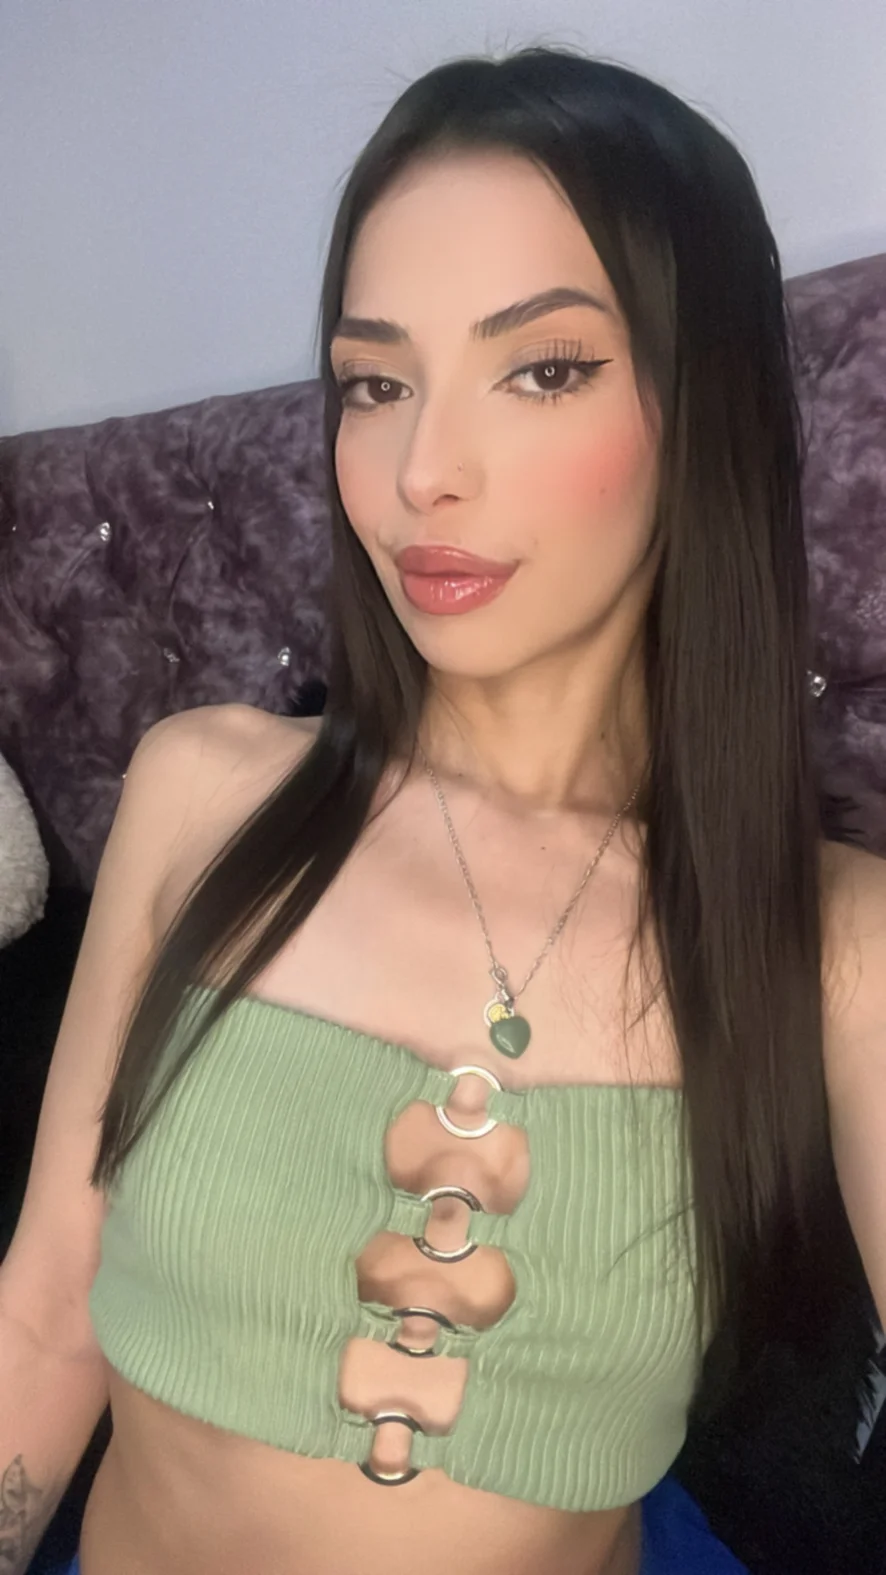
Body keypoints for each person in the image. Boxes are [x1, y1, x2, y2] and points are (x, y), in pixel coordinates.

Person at [3, 42, 884, 1575]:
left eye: (541, 368)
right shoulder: (200, 791)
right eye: (375, 381)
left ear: (707, 405)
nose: (422, 471)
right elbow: (44, 1310)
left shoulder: (831, 943)